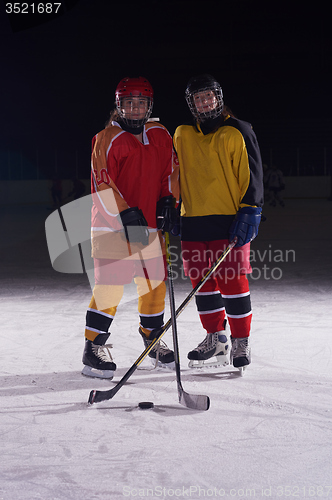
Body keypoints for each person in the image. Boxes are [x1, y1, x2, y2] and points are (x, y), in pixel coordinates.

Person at [82, 77, 178, 379]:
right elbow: (102, 181)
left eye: (141, 103)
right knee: (110, 286)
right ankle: (93, 347)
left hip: (149, 226)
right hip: (111, 226)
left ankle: (152, 340)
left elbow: (170, 171)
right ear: (118, 105)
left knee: (154, 285)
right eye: (128, 102)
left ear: (150, 106)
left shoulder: (160, 134)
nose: (134, 109)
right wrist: (124, 213)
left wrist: (168, 200)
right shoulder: (106, 138)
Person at [173, 74, 264, 372]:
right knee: (203, 284)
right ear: (191, 104)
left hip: (229, 219)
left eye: (207, 96)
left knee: (234, 282)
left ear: (218, 97)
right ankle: (216, 338)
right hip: (193, 221)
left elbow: (252, 173)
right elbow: (173, 174)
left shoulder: (238, 129)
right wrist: (172, 206)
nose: (203, 102)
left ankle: (240, 341)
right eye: (197, 98)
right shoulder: (182, 134)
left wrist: (251, 209)